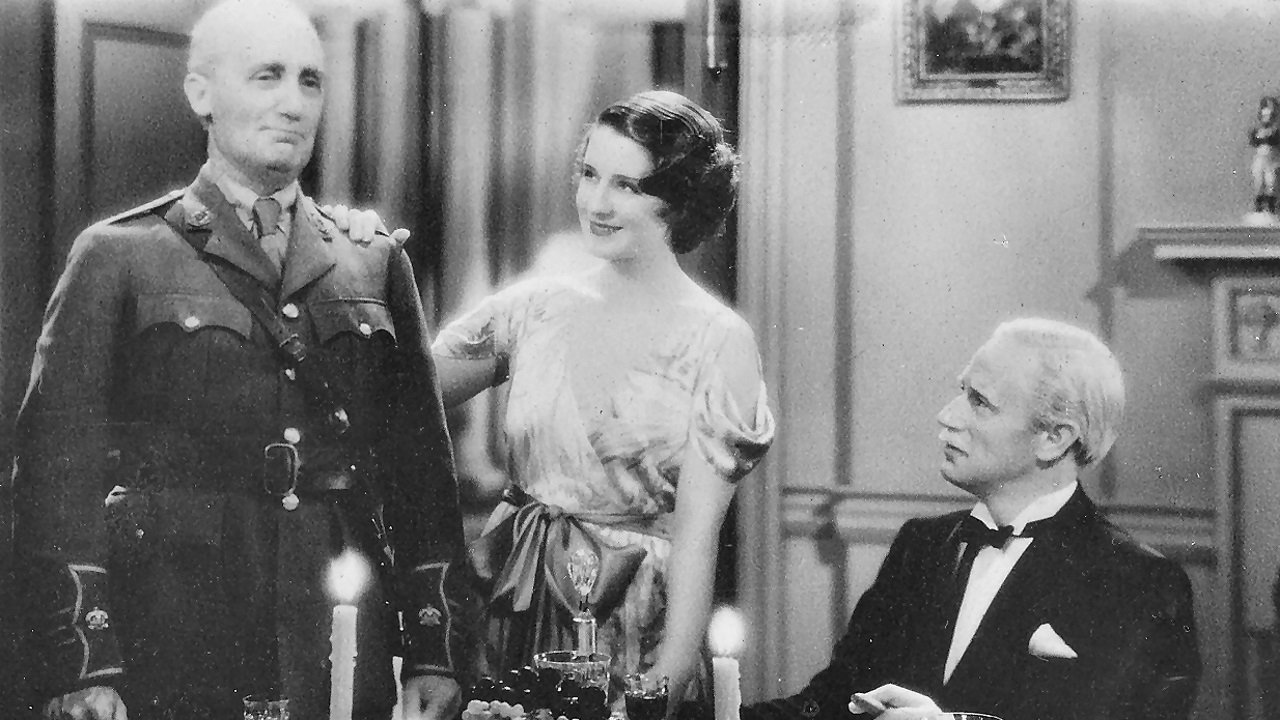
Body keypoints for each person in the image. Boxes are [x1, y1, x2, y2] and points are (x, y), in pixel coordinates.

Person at [8, 2, 472, 719]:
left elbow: (422, 477)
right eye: (267, 76)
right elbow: (54, 476)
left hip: (334, 625)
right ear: (202, 94)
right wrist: (83, 664)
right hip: (172, 629)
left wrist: (435, 653)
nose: (294, 102)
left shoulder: (373, 263)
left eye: (310, 81)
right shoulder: (120, 256)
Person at [429, 90, 775, 703]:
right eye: (589, 174)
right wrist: (367, 256)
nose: (596, 203)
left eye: (627, 186)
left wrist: (668, 673)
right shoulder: (533, 307)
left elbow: (697, 538)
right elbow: (401, 391)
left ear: (680, 200)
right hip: (512, 602)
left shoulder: (719, 341)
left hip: (632, 621)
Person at [739, 318, 1200, 720]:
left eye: (980, 401)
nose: (947, 416)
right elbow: (833, 702)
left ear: (1054, 438)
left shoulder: (1138, 582)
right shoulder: (921, 545)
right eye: (962, 391)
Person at [1249, 95, 1280, 215]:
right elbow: (1253, 141)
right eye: (1264, 116)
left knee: (1271, 183)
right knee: (1259, 183)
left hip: (1272, 160)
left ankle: (1271, 211)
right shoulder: (1257, 131)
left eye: (1269, 116)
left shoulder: (1276, 131)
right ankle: (1259, 210)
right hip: (1260, 159)